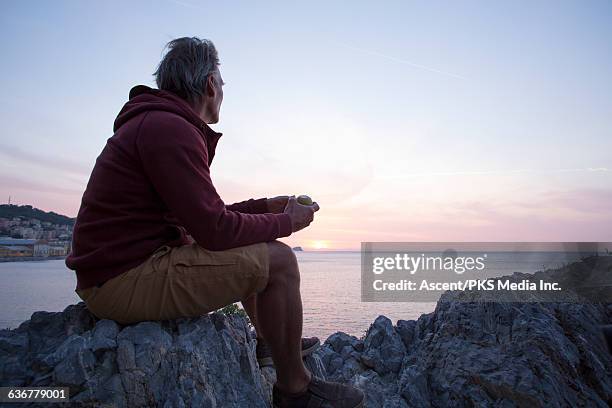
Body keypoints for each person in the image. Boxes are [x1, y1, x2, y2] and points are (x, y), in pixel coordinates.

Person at [66, 37, 364, 408]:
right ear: (210, 84)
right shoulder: (169, 129)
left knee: (253, 250)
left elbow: (202, 216)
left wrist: (265, 207)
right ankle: (296, 390)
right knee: (281, 262)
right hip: (121, 280)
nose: (223, 91)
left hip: (117, 272)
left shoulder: (160, 122)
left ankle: (272, 342)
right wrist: (287, 222)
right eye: (222, 83)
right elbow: (215, 229)